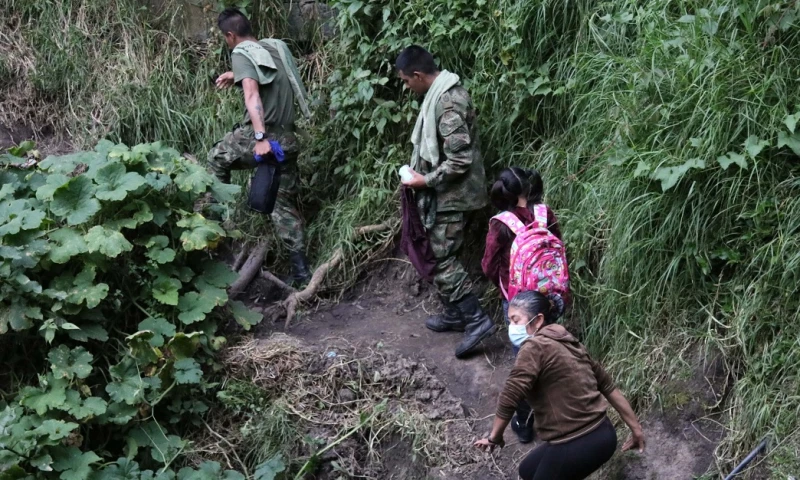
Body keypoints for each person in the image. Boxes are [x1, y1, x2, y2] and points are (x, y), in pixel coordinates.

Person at [474, 291, 645, 480]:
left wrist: (494, 437)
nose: (511, 327)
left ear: (538, 320)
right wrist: (636, 428)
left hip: (576, 439)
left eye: (516, 320)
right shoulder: (570, 342)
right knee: (527, 471)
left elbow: (510, 396)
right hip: (604, 433)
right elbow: (608, 387)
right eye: (510, 322)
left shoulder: (533, 347)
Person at [395, 45, 494, 359]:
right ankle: (455, 313)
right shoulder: (440, 95)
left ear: (418, 75)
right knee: (445, 253)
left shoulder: (447, 103)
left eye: (406, 81)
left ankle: (476, 319)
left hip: (454, 195)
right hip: (450, 194)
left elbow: (460, 160)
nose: (406, 87)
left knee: (440, 259)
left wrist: (425, 181)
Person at [207, 8, 311, 285]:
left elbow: (252, 95)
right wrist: (236, 75)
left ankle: (214, 228)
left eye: (226, 38)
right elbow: (271, 77)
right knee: (282, 206)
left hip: (268, 136)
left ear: (230, 35)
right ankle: (302, 274)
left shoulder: (241, 52)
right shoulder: (274, 47)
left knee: (217, 158)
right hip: (288, 139)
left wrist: (260, 137)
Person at [480, 167, 562, 442]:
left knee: (525, 361)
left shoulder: (502, 223)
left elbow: (488, 265)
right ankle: (560, 414)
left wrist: (505, 286)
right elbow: (559, 246)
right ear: (528, 187)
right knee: (550, 351)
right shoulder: (545, 213)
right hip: (549, 298)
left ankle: (524, 423)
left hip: (518, 302)